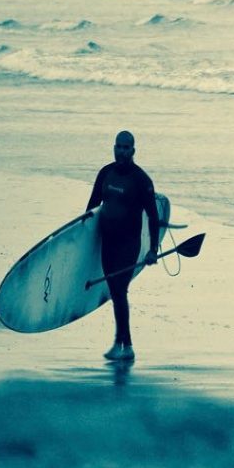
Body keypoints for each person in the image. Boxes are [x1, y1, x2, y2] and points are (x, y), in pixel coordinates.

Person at [86, 130, 159, 361]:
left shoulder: (141, 180)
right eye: (118, 146)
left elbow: (153, 216)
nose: (121, 151)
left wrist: (152, 250)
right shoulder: (105, 173)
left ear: (133, 150)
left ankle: (125, 344)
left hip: (129, 244)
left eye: (126, 147)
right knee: (115, 291)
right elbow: (91, 207)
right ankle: (123, 344)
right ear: (114, 147)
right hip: (107, 241)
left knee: (119, 290)